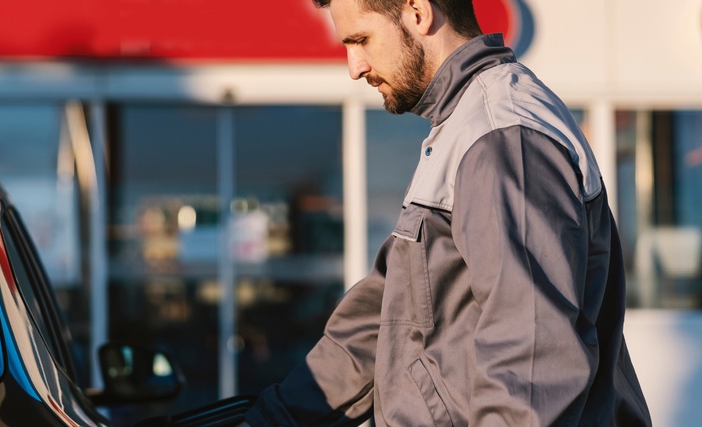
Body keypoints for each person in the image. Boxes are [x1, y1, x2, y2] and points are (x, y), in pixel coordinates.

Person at [242, 0, 652, 425]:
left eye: (360, 40)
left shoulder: (503, 138)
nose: (354, 66)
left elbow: (531, 363)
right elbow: (383, 323)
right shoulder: (465, 128)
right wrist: (271, 418)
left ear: (418, 12)